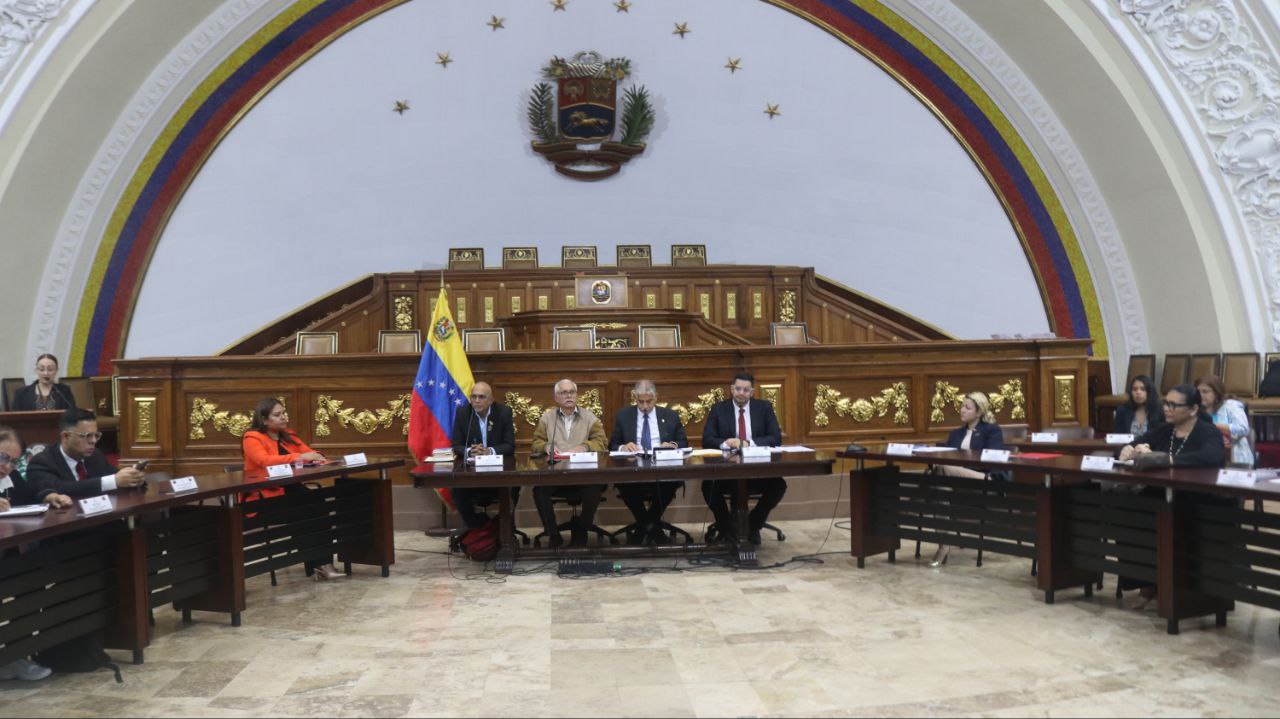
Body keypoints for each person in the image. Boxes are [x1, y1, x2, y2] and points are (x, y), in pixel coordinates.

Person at [1118, 384, 1226, 604]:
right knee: (1129, 512)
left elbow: (1210, 457)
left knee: (1164, 515)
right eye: (1165, 403)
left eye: (1173, 405)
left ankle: (1175, 585)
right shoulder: (1164, 431)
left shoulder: (1207, 431)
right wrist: (1128, 449)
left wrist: (1165, 459)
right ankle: (1147, 581)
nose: (1167, 409)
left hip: (1196, 499)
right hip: (1161, 495)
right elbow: (1135, 444)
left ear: (1193, 409)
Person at [241, 397, 341, 580]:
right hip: (264, 498)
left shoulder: (289, 435)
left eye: (284, 413)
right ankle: (318, 565)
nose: (283, 417)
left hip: (292, 490)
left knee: (319, 503)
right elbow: (264, 461)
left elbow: (310, 453)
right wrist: (299, 457)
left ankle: (324, 564)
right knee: (305, 510)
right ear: (264, 420)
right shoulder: (252, 438)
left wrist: (318, 457)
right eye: (277, 414)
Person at [0, 427, 70, 683]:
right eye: (3, 458)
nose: (7, 467)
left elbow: (30, 494)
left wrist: (49, 495)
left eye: (13, 461)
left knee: (31, 579)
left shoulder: (10, 476)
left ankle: (15, 654)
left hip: (10, 557)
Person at [700, 372, 784, 545]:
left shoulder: (764, 407)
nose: (741, 393)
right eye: (738, 389)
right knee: (708, 486)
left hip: (757, 471)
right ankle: (726, 528)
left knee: (779, 485)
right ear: (732, 389)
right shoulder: (719, 409)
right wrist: (726, 442)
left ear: (752, 392)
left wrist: (748, 443)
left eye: (746, 390)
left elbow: (775, 438)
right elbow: (707, 439)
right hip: (727, 472)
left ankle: (752, 525)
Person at [928, 392, 1005, 567]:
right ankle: (944, 545)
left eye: (967, 407)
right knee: (941, 488)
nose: (962, 410)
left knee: (941, 472)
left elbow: (993, 459)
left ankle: (943, 547)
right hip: (956, 481)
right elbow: (946, 457)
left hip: (984, 479)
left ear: (979, 412)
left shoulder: (992, 431)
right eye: (962, 406)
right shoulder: (956, 433)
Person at [609, 380, 689, 545]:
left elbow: (683, 442)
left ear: (656, 397)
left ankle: (642, 529)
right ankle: (654, 529)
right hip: (632, 468)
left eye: (649, 401)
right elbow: (612, 445)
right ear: (635, 398)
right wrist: (624, 447)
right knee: (624, 483)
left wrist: (672, 445)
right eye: (640, 402)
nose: (644, 406)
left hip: (663, 468)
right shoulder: (624, 416)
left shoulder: (670, 415)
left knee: (670, 482)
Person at [530, 379, 607, 547]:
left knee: (594, 488)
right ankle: (553, 534)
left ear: (577, 395)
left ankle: (582, 529)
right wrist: (546, 446)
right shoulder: (547, 418)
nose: (569, 396)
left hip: (584, 474)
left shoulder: (589, 417)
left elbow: (602, 442)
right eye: (564, 393)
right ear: (556, 398)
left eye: (572, 392)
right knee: (539, 491)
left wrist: (585, 447)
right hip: (555, 475)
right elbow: (536, 443)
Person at [25, 409, 145, 500]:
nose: (93, 441)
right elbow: (60, 488)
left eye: (96, 435)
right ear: (66, 436)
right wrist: (113, 481)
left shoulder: (95, 455)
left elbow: (114, 475)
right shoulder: (42, 462)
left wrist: (133, 478)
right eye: (87, 436)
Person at [449, 381, 517, 530]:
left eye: (481, 397)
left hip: (498, 473)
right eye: (474, 397)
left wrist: (489, 451)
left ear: (491, 400)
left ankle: (504, 528)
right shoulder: (463, 413)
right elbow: (456, 445)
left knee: (514, 486)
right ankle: (477, 528)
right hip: (472, 474)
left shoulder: (503, 412)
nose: (477, 401)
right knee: (457, 491)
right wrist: (470, 451)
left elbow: (510, 445)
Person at [1195, 374, 1254, 467]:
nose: (1200, 395)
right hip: (1206, 458)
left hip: (1235, 458)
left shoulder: (1230, 405)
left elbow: (1243, 429)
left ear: (1217, 393)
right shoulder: (1195, 410)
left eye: (1205, 391)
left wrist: (1212, 426)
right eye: (1198, 392)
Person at [11, 353, 77, 411]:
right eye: (41, 369)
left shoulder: (64, 391)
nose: (46, 373)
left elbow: (72, 414)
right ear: (36, 370)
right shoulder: (22, 393)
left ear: (56, 370)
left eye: (50, 369)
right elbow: (15, 417)